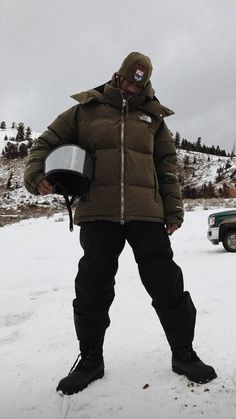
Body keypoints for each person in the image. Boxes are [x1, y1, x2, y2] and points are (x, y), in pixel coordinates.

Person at [24, 52, 217, 395]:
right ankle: (90, 360)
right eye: (128, 80)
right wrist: (37, 174)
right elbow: (45, 142)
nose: (131, 88)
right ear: (118, 76)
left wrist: (173, 212)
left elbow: (167, 168)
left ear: (146, 84)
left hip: (146, 214)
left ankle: (184, 354)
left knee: (167, 284)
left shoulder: (154, 119)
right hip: (99, 212)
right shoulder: (86, 110)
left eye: (138, 84)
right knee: (92, 288)